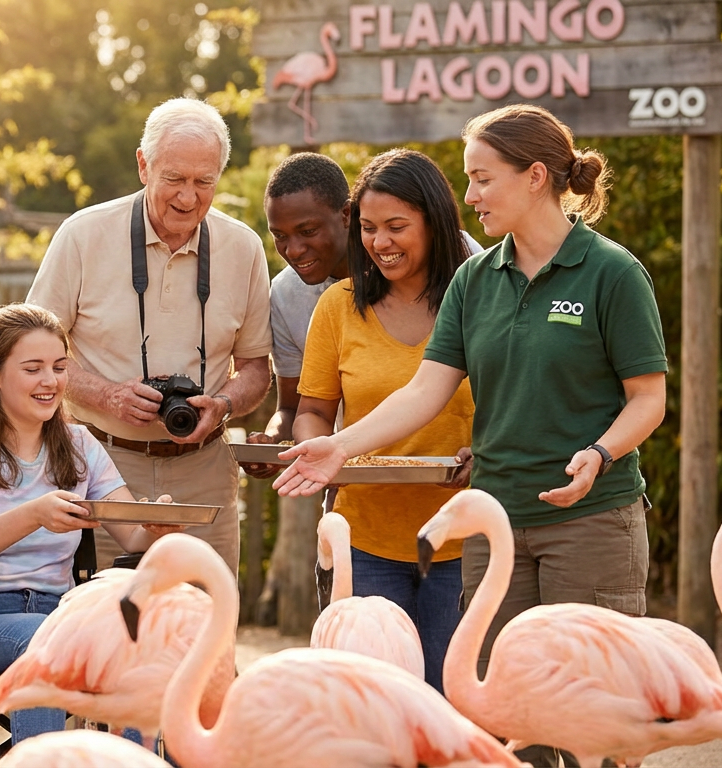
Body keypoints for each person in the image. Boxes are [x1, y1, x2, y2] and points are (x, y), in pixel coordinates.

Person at [274, 105, 666, 764]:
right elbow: (425, 390)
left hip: (591, 519)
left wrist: (601, 453)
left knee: (593, 718)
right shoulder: (476, 282)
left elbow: (649, 399)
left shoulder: (611, 273)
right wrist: (338, 445)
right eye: (469, 180)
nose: (472, 196)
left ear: (535, 176)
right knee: (508, 723)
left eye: (483, 180)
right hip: (496, 529)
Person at [27, 98, 272, 574]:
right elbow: (33, 355)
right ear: (144, 165)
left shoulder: (244, 247)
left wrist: (220, 404)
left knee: (204, 623)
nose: (188, 197)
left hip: (204, 467)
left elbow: (257, 369)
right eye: (174, 179)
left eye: (204, 182)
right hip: (97, 462)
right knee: (102, 626)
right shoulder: (82, 235)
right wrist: (109, 395)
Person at [0, 303, 182, 743]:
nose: (51, 381)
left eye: (59, 367)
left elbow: (131, 533)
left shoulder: (80, 443)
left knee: (158, 643)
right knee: (49, 640)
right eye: (33, 369)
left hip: (64, 611)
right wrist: (33, 515)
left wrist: (156, 527)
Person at [293, 148, 475, 692]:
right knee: (370, 701)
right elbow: (312, 412)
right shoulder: (338, 306)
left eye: (397, 226)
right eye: (369, 228)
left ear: (435, 222)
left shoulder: (477, 298)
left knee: (449, 701)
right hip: (364, 540)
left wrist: (482, 448)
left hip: (461, 542)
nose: (380, 242)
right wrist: (317, 450)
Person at [240, 153, 351, 479]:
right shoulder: (286, 295)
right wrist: (273, 441)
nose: (294, 250)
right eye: (280, 236)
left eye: (308, 230)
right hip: (349, 476)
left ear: (346, 214)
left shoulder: (416, 258)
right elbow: (292, 408)